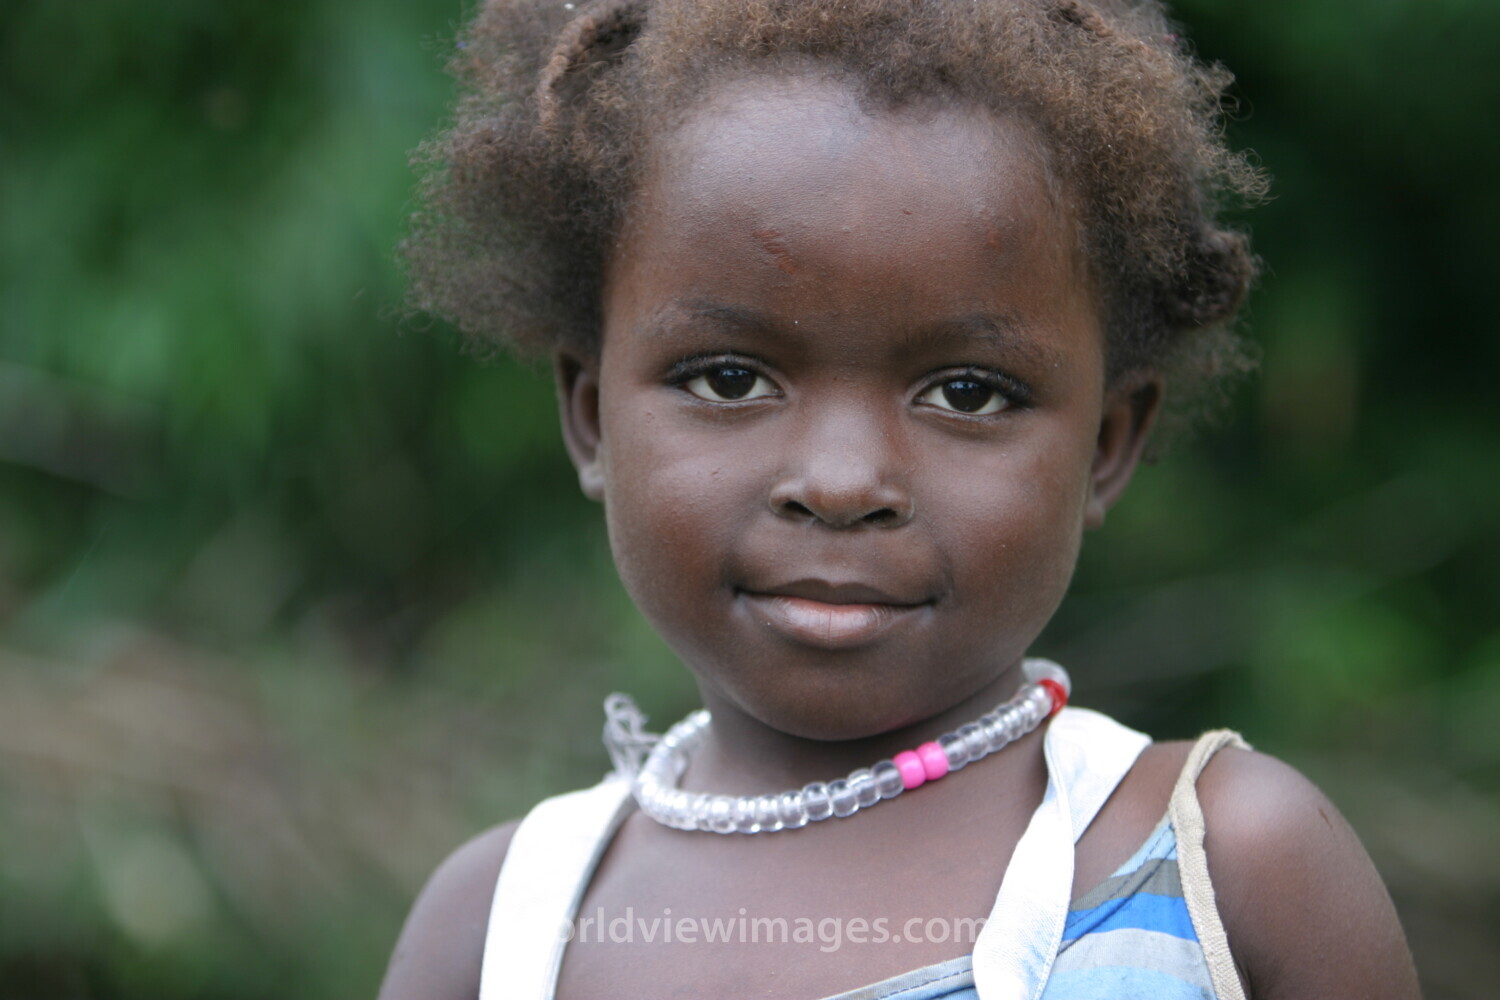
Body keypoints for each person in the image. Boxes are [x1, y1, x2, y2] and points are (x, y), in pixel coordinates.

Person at [380, 1, 1422, 997]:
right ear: (592, 416)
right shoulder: (497, 934)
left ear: (1109, 444)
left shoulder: (1226, 875)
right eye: (730, 378)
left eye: (968, 393)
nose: (841, 484)